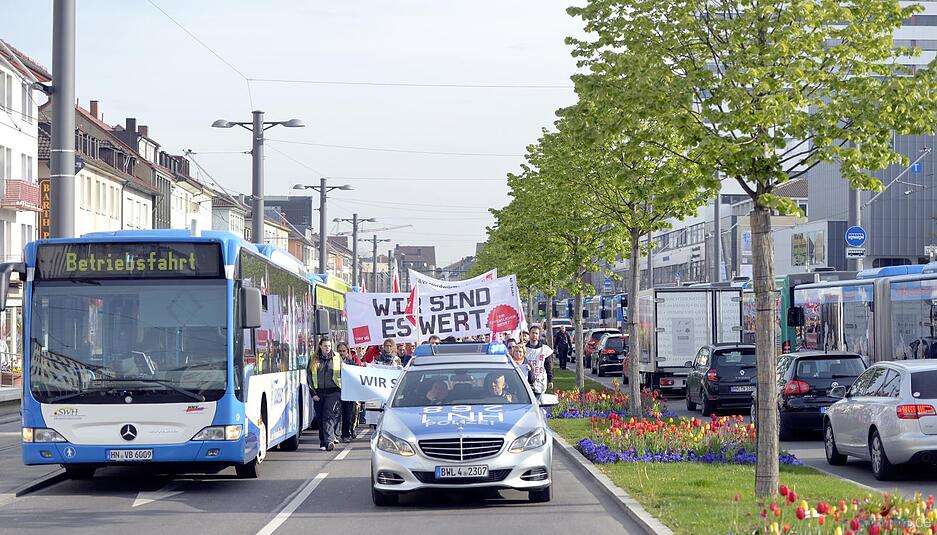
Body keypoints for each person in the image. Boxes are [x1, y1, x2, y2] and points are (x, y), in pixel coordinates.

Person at [309, 337, 342, 451]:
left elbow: (345, 372)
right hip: (319, 393)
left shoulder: (337, 358)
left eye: (329, 346)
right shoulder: (313, 358)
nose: (327, 348)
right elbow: (309, 378)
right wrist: (313, 394)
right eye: (325, 346)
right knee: (320, 417)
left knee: (328, 416)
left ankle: (329, 441)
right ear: (320, 346)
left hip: (333, 391)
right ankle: (323, 442)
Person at [337, 342, 362, 442]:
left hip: (348, 393)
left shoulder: (352, 364)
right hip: (336, 392)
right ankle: (335, 435)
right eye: (340, 351)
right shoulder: (332, 363)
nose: (342, 353)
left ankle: (346, 434)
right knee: (335, 415)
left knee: (347, 415)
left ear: (347, 352)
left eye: (343, 351)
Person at [525, 325, 554, 399]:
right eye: (533, 333)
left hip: (539, 380)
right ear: (529, 334)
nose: (534, 335)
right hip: (526, 380)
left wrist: (550, 380)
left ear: (539, 335)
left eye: (536, 333)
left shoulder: (544, 349)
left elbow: (548, 365)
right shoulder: (524, 349)